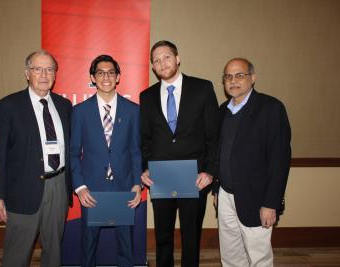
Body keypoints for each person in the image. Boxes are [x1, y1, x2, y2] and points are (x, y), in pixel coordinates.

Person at [0, 49, 72, 267]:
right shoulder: (7, 106)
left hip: (58, 186)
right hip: (22, 189)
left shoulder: (64, 106)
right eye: (37, 69)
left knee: (54, 250)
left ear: (55, 74)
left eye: (49, 69)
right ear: (27, 73)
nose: (44, 75)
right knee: (17, 254)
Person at [140, 40, 220, 266]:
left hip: (195, 179)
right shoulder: (146, 97)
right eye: (156, 60)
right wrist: (144, 167)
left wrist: (209, 172)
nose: (162, 63)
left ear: (177, 58)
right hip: (161, 177)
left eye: (166, 57)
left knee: (191, 236)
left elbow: (214, 136)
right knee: (163, 236)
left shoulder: (203, 88)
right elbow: (144, 139)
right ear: (153, 67)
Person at [214, 58, 291, 266]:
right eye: (228, 76)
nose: (233, 81)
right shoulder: (222, 111)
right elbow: (218, 153)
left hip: (257, 198)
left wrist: (271, 203)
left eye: (240, 75)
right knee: (230, 254)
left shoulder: (271, 109)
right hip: (225, 196)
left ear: (253, 78)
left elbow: (279, 160)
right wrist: (216, 190)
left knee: (259, 256)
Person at [71, 54, 142, 267]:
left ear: (118, 76)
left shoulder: (133, 110)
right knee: (88, 247)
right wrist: (80, 187)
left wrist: (137, 183)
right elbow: (73, 153)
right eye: (100, 73)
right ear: (93, 77)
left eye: (111, 72)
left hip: (124, 189)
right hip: (91, 191)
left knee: (126, 246)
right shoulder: (80, 112)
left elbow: (136, 151)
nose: (106, 77)